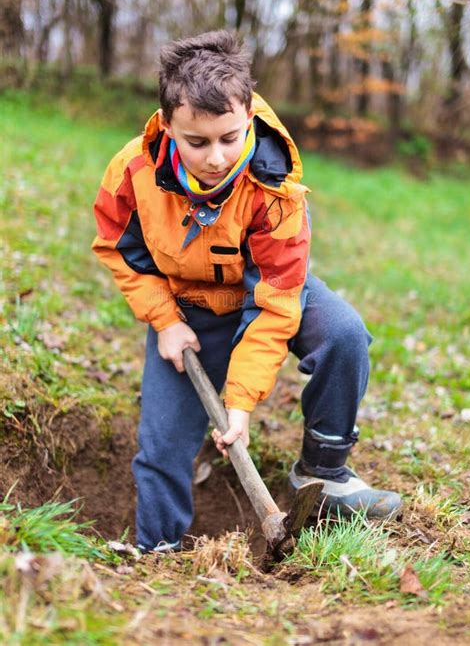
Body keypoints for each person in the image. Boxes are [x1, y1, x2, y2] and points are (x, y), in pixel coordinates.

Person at [92, 30, 401, 553]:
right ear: (167, 125)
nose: (216, 157)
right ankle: (158, 551)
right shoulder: (133, 171)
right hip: (188, 308)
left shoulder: (275, 187)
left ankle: (322, 476)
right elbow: (120, 250)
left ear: (250, 115)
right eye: (197, 142)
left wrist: (239, 402)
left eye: (231, 137)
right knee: (162, 449)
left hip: (268, 294)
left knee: (344, 334)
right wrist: (165, 321)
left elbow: (276, 299)